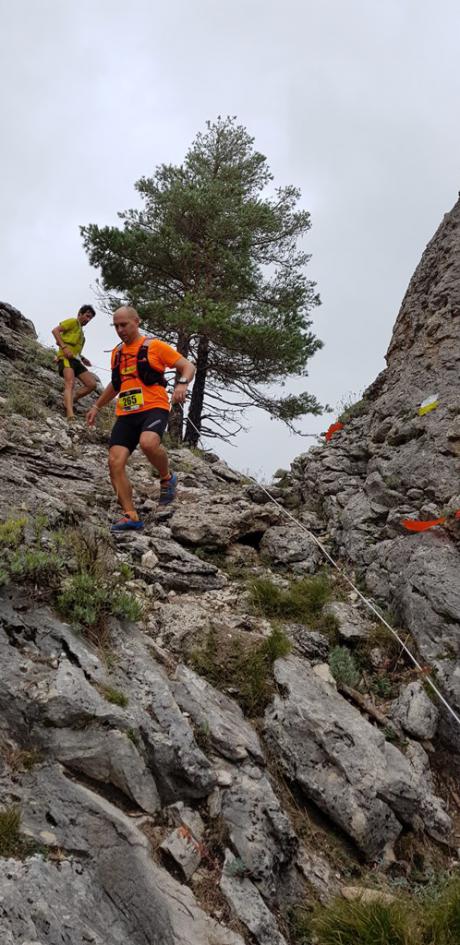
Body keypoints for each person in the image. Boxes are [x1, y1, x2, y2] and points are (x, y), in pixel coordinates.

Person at [86, 306, 195, 530]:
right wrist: (97, 405)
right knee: (114, 462)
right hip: (126, 414)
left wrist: (182, 384)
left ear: (137, 321)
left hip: (153, 407)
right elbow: (116, 384)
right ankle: (131, 516)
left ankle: (167, 478)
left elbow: (187, 365)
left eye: (124, 324)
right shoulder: (117, 353)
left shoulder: (154, 346)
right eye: (116, 326)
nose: (119, 330)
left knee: (148, 443)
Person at [52, 305, 97, 421]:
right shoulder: (72, 322)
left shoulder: (82, 336)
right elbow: (55, 330)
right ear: (80, 314)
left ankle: (70, 401)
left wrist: (82, 358)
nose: (88, 320)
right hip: (65, 359)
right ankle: (70, 415)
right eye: (87, 316)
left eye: (90, 318)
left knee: (92, 384)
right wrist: (64, 347)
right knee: (70, 383)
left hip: (76, 361)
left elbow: (75, 351)